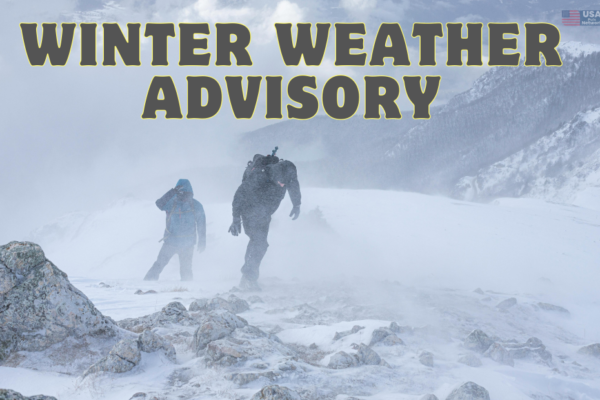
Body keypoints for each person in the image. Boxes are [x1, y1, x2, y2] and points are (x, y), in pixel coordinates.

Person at [228, 148, 301, 291]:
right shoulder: (260, 176)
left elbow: (294, 186)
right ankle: (248, 278)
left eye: (284, 184)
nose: (282, 186)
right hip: (249, 210)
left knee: (258, 243)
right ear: (276, 175)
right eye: (280, 183)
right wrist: (236, 218)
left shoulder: (288, 175)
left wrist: (297, 204)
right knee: (259, 243)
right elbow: (239, 195)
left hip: (264, 214)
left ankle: (247, 276)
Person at [144, 179, 206, 281]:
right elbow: (159, 204)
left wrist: (202, 240)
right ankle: (145, 285)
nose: (183, 197)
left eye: (186, 194)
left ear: (190, 193)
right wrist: (172, 191)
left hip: (187, 244)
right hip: (170, 242)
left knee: (186, 270)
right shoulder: (171, 203)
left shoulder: (196, 206)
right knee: (159, 265)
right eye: (180, 193)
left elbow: (201, 224)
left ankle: (188, 290)